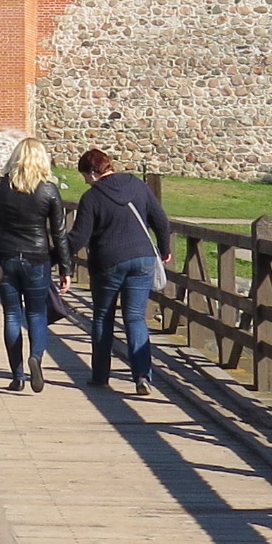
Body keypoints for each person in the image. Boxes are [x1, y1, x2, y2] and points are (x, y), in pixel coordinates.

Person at [68, 148, 171, 393]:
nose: (84, 180)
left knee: (103, 317)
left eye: (84, 175)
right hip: (143, 256)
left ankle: (101, 375)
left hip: (108, 261)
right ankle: (142, 375)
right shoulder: (137, 184)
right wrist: (165, 248)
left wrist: (54, 256)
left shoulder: (91, 198)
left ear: (93, 172)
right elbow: (160, 219)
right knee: (135, 317)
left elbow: (79, 238)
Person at [0, 138, 69, 392]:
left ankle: (17, 375)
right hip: (37, 257)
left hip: (6, 255)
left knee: (11, 314)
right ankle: (36, 356)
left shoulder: (1, 185)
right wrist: (65, 268)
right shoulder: (48, 190)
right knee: (36, 313)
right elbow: (59, 234)